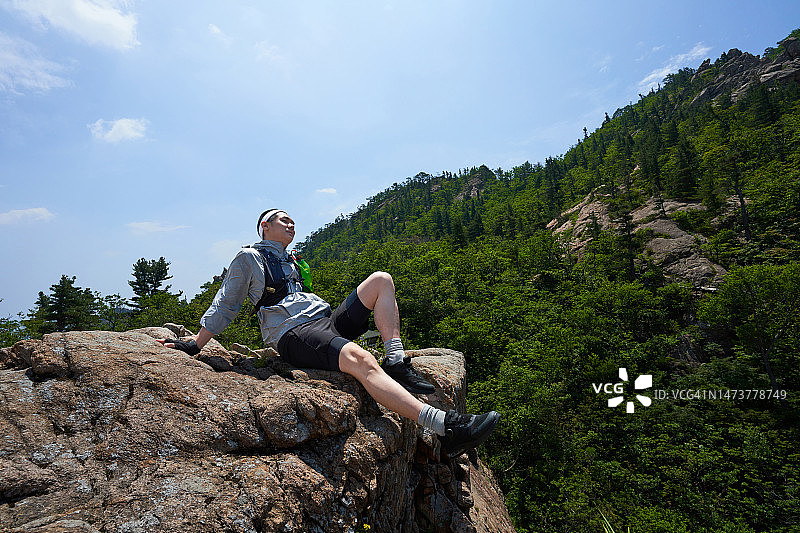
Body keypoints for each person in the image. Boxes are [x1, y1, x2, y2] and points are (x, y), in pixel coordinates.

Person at [159, 209, 499, 457]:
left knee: (381, 279)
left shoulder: (291, 259)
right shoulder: (248, 258)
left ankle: (395, 359)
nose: (290, 224)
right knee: (359, 358)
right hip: (293, 334)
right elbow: (227, 302)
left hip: (325, 321)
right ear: (264, 226)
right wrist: (195, 343)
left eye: (292, 220)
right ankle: (446, 426)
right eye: (282, 220)